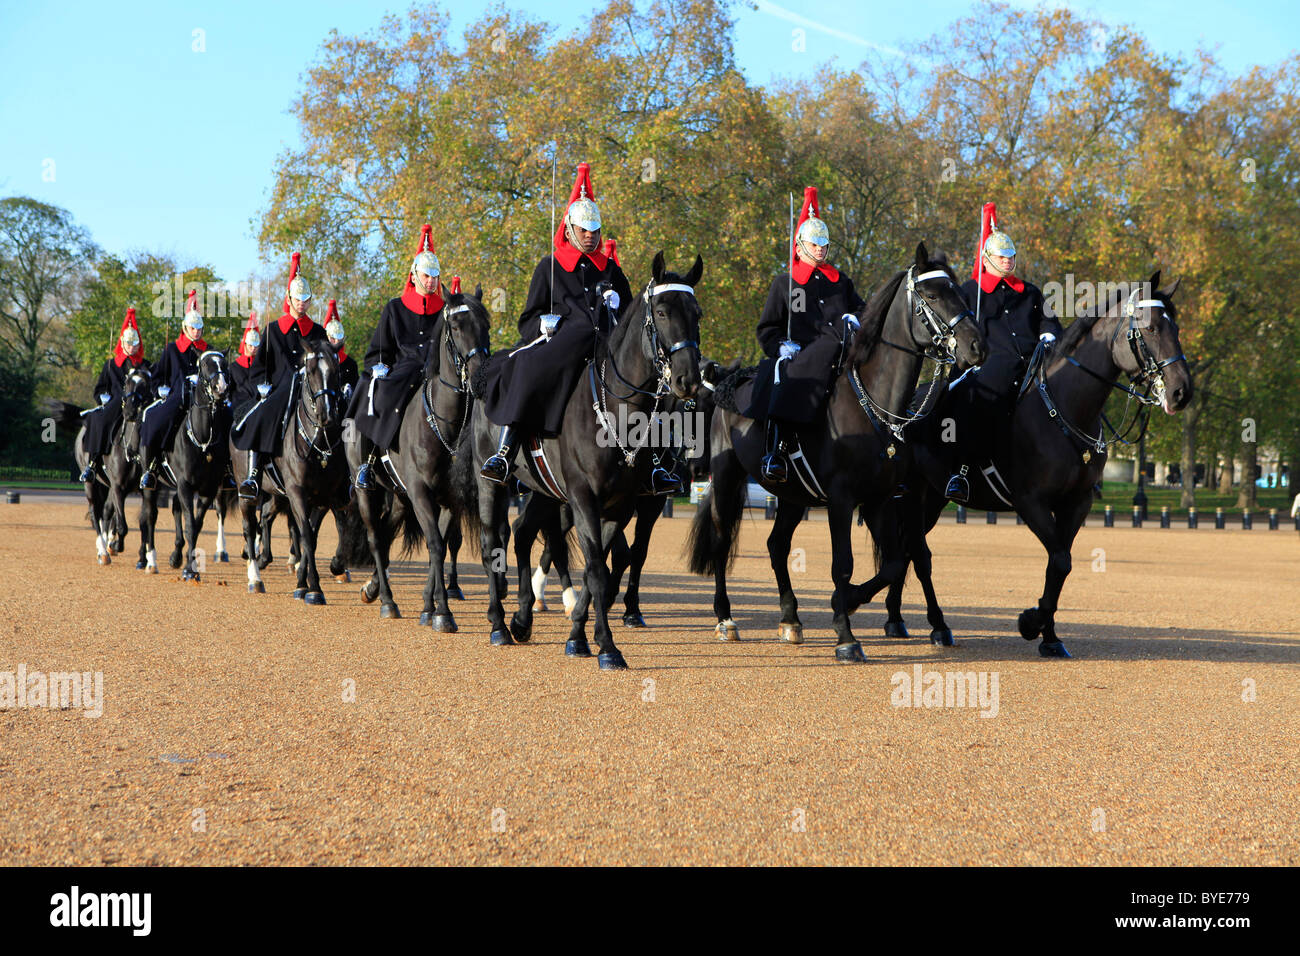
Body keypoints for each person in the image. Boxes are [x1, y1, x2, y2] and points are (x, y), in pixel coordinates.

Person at [480, 162, 634, 486]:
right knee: (527, 366)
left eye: (595, 231)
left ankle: (655, 462)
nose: (590, 236)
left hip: (607, 343)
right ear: (569, 230)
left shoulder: (612, 271)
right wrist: (543, 325)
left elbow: (631, 318)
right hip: (564, 341)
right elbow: (527, 321)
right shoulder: (549, 267)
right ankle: (506, 449)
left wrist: (620, 311)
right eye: (584, 231)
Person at [743, 186, 865, 482]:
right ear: (799, 247)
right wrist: (779, 347)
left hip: (842, 350)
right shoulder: (785, 284)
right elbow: (767, 328)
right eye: (814, 244)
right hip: (801, 354)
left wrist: (856, 317)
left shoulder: (841, 282)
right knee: (787, 380)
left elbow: (864, 310)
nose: (820, 249)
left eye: (823, 244)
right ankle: (777, 450)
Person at [944, 202, 1063, 503]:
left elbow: (1049, 319)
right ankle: (961, 471)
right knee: (974, 403)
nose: (1008, 261)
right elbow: (954, 326)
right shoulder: (970, 291)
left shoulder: (1031, 291)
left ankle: (1075, 465)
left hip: (1032, 366)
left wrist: (1049, 332)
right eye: (1002, 256)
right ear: (987, 258)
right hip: (990, 365)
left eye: (1011, 256)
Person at [349, 225, 447, 490]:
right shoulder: (394, 308)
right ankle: (367, 462)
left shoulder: (445, 310)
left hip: (437, 372)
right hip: (403, 371)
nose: (431, 281)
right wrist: (380, 367)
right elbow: (378, 350)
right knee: (377, 393)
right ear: (414, 276)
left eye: (435, 276)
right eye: (427, 276)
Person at [231, 253, 328, 498]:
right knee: (260, 417)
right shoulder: (273, 330)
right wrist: (262, 388)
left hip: (312, 387)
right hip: (281, 389)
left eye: (306, 299)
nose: (302, 304)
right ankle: (253, 476)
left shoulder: (318, 331)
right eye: (298, 299)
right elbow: (260, 367)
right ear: (289, 299)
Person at [139, 291, 209, 490]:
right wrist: (161, 389)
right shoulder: (172, 349)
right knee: (153, 418)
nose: (196, 332)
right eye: (193, 328)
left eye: (199, 328)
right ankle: (150, 467)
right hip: (177, 397)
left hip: (202, 400)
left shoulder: (207, 350)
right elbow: (159, 376)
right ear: (185, 328)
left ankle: (227, 470)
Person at [80, 307, 151, 481]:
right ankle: (93, 462)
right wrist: (102, 397)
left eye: (135, 344)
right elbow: (100, 388)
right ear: (122, 343)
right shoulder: (111, 365)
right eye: (128, 344)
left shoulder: (145, 364)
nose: (132, 347)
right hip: (116, 402)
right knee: (99, 420)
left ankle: (153, 466)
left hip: (140, 403)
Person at [324, 300, 358, 399]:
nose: (336, 342)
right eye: (333, 339)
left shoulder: (350, 364)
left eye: (339, 339)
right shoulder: (319, 362)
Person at [228, 310, 261, 407]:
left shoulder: (263, 366)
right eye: (251, 345)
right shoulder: (234, 367)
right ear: (245, 344)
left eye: (256, 346)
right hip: (239, 406)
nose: (253, 348)